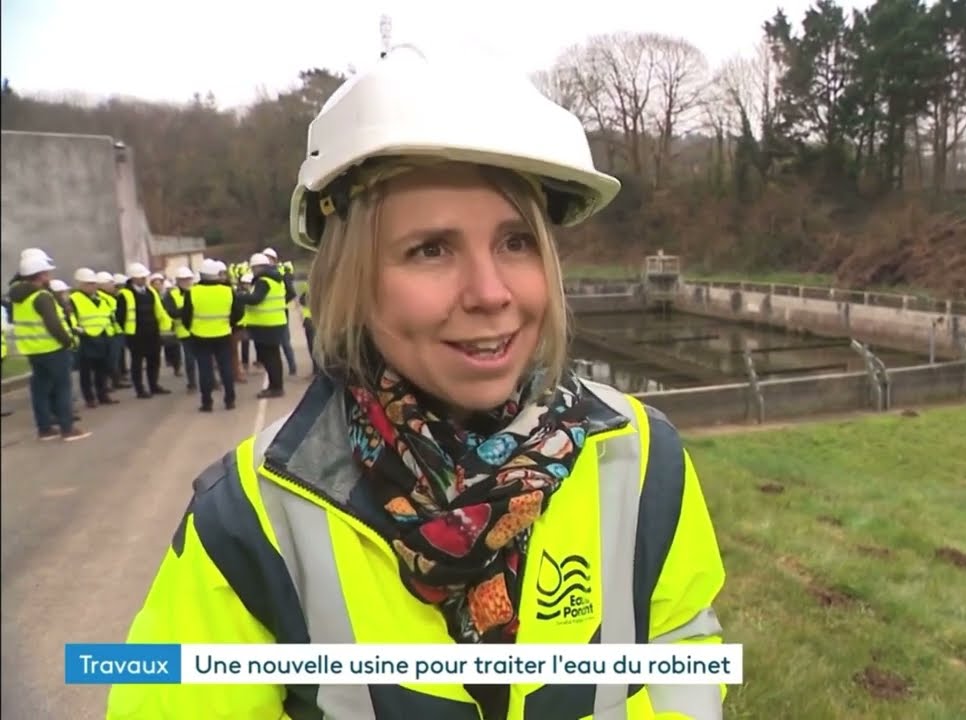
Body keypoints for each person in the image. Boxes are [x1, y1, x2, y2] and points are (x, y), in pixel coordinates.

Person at [108, 43, 726, 719]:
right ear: (354, 281)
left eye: (516, 242)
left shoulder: (640, 458)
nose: (491, 293)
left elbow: (681, 662)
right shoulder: (254, 518)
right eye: (430, 249)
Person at [8, 251, 90, 441]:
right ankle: (67, 429)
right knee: (62, 388)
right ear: (41, 275)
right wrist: (68, 341)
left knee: (40, 389)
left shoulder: (18, 296)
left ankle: (44, 429)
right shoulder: (42, 296)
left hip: (32, 349)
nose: (49, 276)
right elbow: (53, 324)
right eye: (47, 272)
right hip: (52, 349)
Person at [182, 259, 244, 412]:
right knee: (226, 368)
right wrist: (229, 323)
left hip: (200, 336)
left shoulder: (192, 292)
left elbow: (186, 315)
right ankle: (230, 400)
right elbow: (239, 312)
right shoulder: (227, 291)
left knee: (205, 370)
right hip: (222, 334)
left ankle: (207, 403)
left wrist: (191, 327)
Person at [115, 263, 173, 398]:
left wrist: (165, 326)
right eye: (140, 277)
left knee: (154, 360)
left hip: (152, 332)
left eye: (144, 277)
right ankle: (140, 389)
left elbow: (159, 310)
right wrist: (127, 331)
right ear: (133, 278)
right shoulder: (125, 294)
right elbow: (120, 315)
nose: (143, 279)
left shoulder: (150, 291)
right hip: (135, 334)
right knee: (137, 363)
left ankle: (154, 385)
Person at [240, 253, 291, 398]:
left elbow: (256, 299)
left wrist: (239, 296)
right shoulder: (276, 279)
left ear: (257, 267)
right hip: (275, 322)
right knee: (273, 356)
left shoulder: (263, 281)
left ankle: (275, 387)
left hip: (266, 324)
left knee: (270, 358)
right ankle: (275, 386)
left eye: (253, 268)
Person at [68, 268, 117, 408]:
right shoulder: (74, 299)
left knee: (102, 369)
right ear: (80, 284)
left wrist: (110, 333)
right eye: (88, 283)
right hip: (86, 339)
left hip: (103, 337)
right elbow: (71, 319)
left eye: (93, 283)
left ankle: (103, 395)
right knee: (86, 372)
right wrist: (80, 331)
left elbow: (108, 317)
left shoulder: (101, 299)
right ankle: (89, 398)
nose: (92, 286)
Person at [262, 247, 299, 376]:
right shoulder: (262, 276)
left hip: (281, 312)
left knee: (284, 341)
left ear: (274, 260)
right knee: (271, 344)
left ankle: (292, 366)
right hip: (267, 314)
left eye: (268, 258)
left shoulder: (282, 274)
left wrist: (280, 303)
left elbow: (291, 292)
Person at [164, 267, 199, 391]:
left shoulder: (198, 291)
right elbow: (172, 312)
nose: (186, 282)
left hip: (201, 329)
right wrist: (189, 310)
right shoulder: (171, 295)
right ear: (177, 281)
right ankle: (192, 383)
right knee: (190, 359)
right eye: (183, 280)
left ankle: (212, 381)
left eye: (188, 279)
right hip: (184, 331)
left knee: (205, 358)